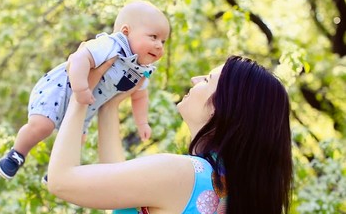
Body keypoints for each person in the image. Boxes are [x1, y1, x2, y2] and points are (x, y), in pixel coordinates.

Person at [47, 55, 293, 214]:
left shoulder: (182, 173)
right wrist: (109, 106)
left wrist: (82, 93)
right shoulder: (227, 189)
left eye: (207, 80)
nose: (195, 79)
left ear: (223, 107)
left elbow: (61, 181)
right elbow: (119, 189)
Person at [0, 0, 170, 180]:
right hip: (62, 89)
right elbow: (79, 58)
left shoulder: (142, 69)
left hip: (87, 105)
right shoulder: (110, 45)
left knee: (76, 139)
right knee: (42, 126)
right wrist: (80, 89)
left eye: (163, 41)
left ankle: (56, 169)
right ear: (126, 32)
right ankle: (17, 154)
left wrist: (142, 123)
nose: (159, 46)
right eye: (153, 37)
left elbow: (140, 96)